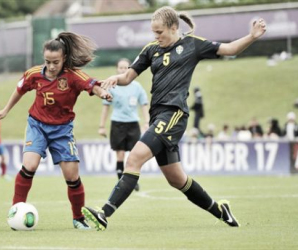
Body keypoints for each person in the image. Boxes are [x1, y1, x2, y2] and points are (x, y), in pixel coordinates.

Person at [82, 6, 266, 231]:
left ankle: (104, 214)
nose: (156, 36)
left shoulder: (193, 45)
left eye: (159, 32)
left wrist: (252, 36)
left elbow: (228, 49)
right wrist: (115, 79)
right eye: (153, 32)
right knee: (177, 179)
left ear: (173, 28)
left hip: (173, 114)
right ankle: (221, 211)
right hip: (158, 116)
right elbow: (129, 76)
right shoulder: (151, 49)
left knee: (133, 160)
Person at [0, 32, 112, 230]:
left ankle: (78, 218)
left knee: (72, 176)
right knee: (29, 165)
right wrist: (5, 110)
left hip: (62, 130)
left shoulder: (73, 76)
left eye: (56, 62)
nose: (51, 66)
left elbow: (92, 85)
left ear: (64, 58)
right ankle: (16, 211)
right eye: (48, 61)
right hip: (37, 125)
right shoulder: (34, 74)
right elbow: (19, 90)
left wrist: (103, 92)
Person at [98, 58, 149, 191]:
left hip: (133, 123)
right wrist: (102, 126)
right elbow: (105, 107)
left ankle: (132, 181)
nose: (123, 70)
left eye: (126, 68)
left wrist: (147, 122)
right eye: (120, 68)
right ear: (116, 69)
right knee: (120, 154)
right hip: (118, 123)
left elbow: (144, 104)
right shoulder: (113, 87)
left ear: (130, 69)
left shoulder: (137, 87)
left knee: (135, 155)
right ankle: (121, 181)